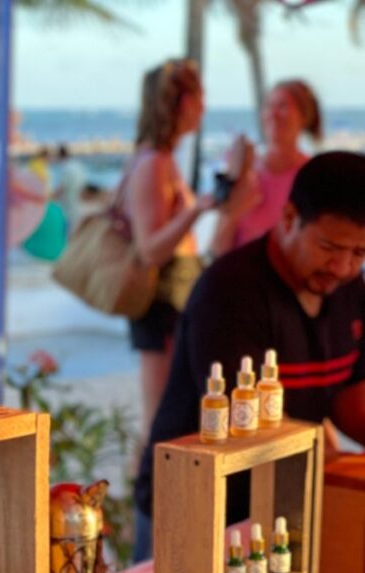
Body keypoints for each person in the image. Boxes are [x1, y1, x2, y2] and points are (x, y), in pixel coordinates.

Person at [135, 151, 365, 556]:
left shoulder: (350, 290)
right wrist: (335, 464)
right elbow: (250, 425)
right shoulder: (230, 292)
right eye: (330, 247)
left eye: (360, 253)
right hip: (197, 507)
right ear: (290, 218)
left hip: (279, 507)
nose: (344, 267)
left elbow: (351, 397)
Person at [122, 58, 214, 481]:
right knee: (158, 420)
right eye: (200, 96)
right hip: (159, 303)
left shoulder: (161, 159)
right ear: (184, 102)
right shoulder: (153, 163)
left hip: (170, 302)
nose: (205, 106)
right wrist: (197, 211)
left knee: (167, 416)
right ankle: (143, 518)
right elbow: (150, 249)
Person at [211, 79, 322, 257]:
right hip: (241, 276)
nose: (273, 113)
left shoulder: (314, 175)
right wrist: (233, 211)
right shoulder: (242, 167)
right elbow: (217, 248)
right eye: (269, 106)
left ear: (304, 116)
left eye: (283, 106)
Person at [53, 144, 85, 236]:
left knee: (65, 231)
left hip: (66, 204)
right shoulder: (77, 165)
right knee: (72, 229)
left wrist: (50, 199)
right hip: (76, 202)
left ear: (59, 156)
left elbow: (61, 188)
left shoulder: (66, 168)